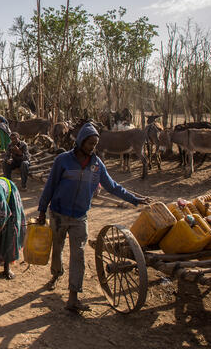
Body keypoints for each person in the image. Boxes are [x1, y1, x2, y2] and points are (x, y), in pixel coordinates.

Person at [37, 123, 152, 312]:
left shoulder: (97, 166)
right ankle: (56, 273)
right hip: (58, 213)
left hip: (80, 217)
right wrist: (42, 210)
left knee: (79, 255)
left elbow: (113, 187)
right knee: (57, 248)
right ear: (81, 141)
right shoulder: (63, 160)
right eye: (90, 143)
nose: (93, 147)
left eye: (95, 144)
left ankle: (73, 297)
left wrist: (135, 199)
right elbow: (50, 185)